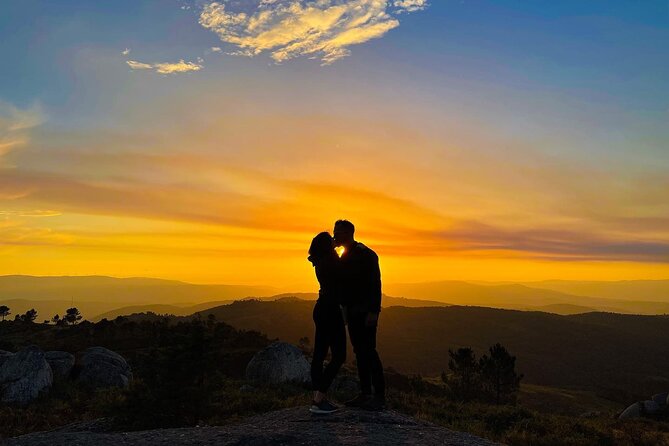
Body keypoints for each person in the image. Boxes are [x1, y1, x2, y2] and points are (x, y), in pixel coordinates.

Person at [334, 219, 386, 411]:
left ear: (348, 233)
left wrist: (374, 311)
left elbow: (375, 283)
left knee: (369, 352)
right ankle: (365, 394)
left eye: (338, 232)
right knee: (359, 352)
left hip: (366, 312)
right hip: (352, 312)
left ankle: (379, 396)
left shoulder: (366, 255)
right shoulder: (344, 255)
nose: (335, 235)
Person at [307, 231, 347, 414]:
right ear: (326, 245)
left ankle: (317, 397)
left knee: (319, 355)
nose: (334, 240)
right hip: (331, 311)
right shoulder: (332, 262)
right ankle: (319, 399)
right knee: (339, 356)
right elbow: (346, 275)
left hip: (321, 308)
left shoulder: (320, 261)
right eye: (330, 239)